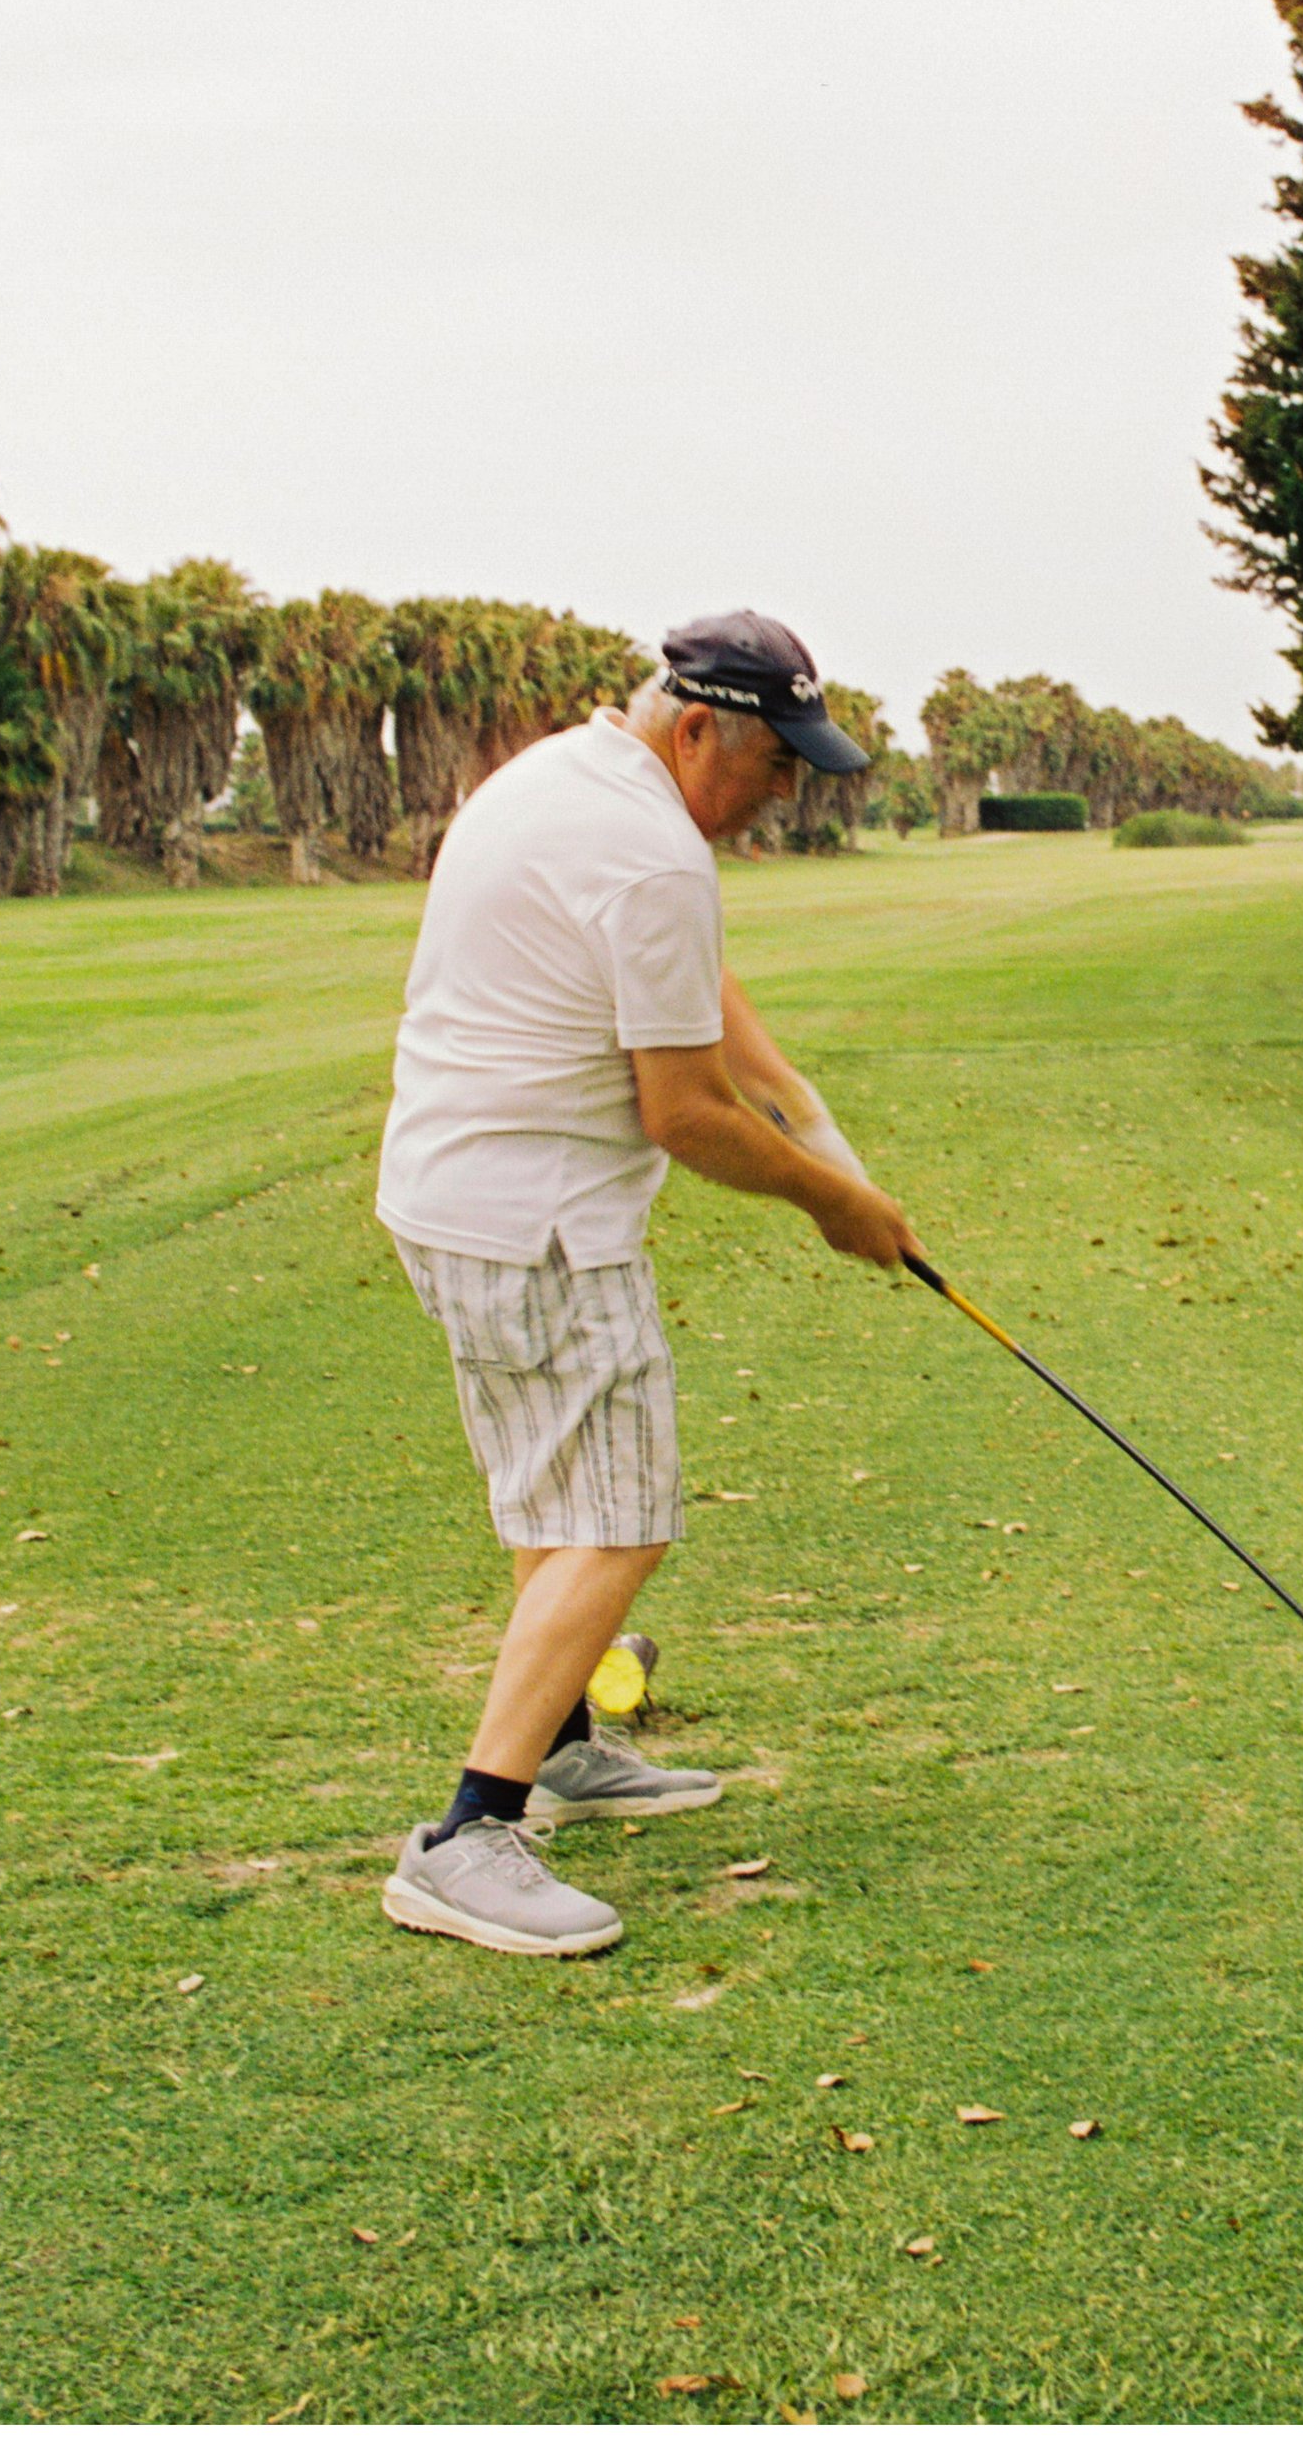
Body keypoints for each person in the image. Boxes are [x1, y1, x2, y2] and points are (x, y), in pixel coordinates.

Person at [373, 611, 919, 1956]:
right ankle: (467, 1833)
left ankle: (560, 1746)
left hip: (449, 1199)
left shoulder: (571, 773)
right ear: (695, 730)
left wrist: (796, 1095)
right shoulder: (654, 849)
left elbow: (690, 986)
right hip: (546, 1226)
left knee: (559, 1500)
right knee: (621, 1519)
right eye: (778, 765)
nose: (787, 793)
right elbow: (681, 1109)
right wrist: (838, 1204)